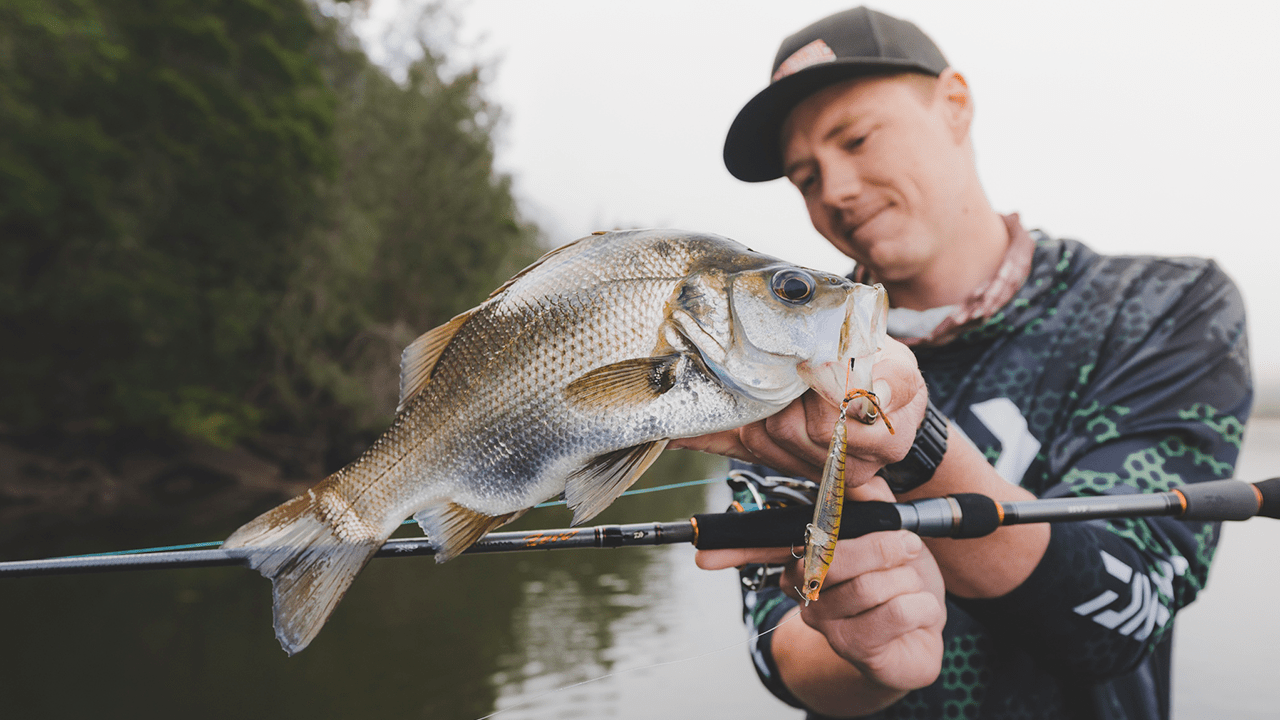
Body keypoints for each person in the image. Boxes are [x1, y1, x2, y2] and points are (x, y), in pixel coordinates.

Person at [669, 7, 1252, 719]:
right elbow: (775, 642)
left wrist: (917, 446)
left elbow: (1124, 610)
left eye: (856, 138)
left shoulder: (1162, 305)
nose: (837, 190)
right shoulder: (778, 350)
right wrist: (872, 662)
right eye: (806, 176)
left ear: (955, 104)